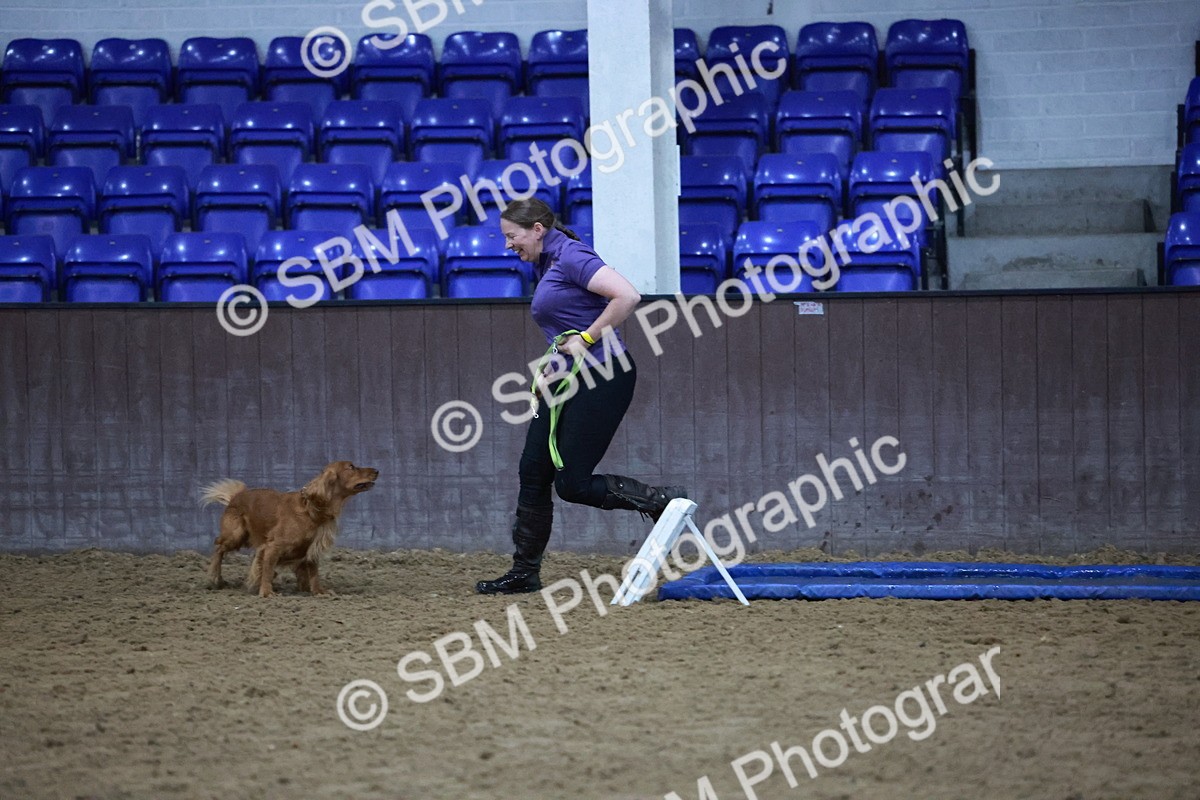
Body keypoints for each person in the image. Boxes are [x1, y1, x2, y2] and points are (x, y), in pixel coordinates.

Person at [476, 198, 687, 595]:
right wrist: (549, 372)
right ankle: (524, 572)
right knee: (532, 471)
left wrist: (588, 338)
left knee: (572, 484)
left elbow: (627, 296)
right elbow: (567, 332)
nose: (508, 245)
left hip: (604, 377)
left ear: (537, 230)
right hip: (567, 380)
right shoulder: (545, 262)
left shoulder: (571, 256)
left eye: (512, 236)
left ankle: (661, 501)